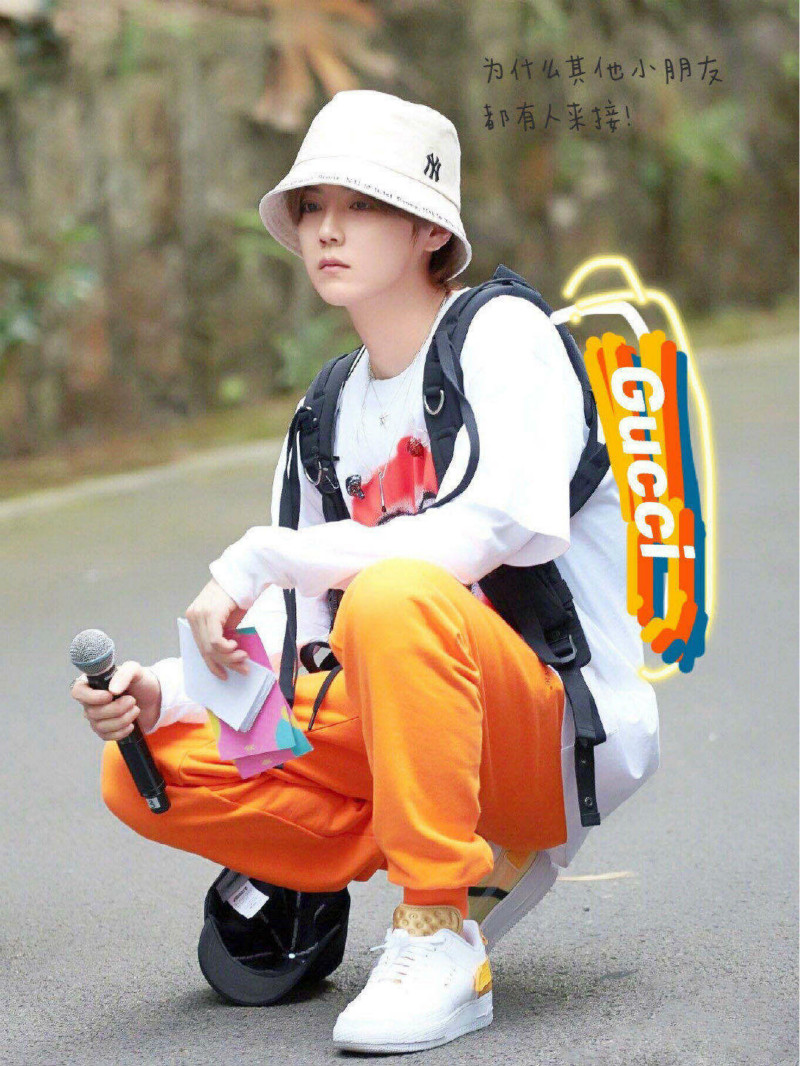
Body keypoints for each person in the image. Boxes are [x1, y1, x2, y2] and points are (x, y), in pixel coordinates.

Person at [71, 90, 659, 1054]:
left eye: (362, 204)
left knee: (394, 595)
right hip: (404, 725)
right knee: (146, 771)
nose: (326, 230)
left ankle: (438, 927)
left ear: (431, 228)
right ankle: (417, 849)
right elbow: (302, 639)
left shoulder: (504, 336)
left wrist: (261, 555)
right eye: (311, 207)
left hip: (548, 731)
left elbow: (495, 528)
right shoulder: (327, 411)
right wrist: (168, 690)